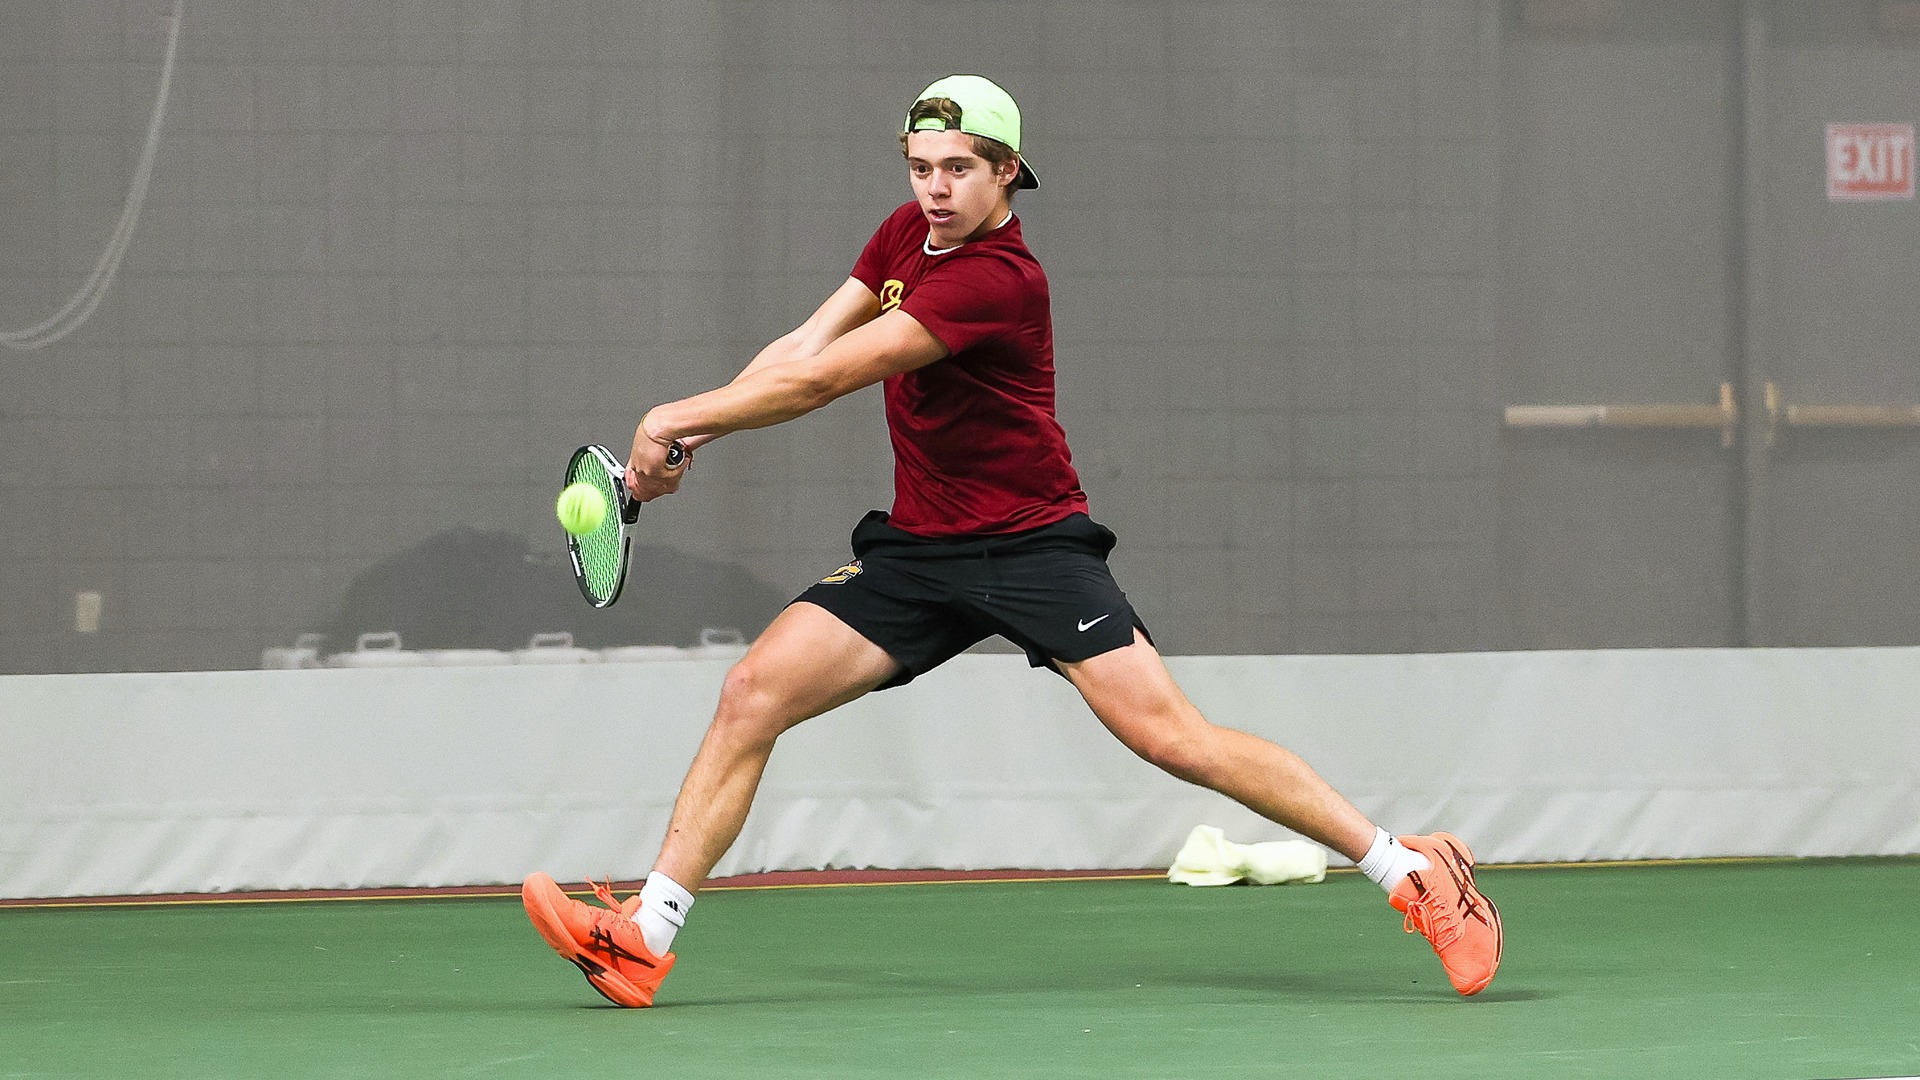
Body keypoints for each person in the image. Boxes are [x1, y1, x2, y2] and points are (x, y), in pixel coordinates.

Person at [520, 75, 1501, 1007]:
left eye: (959, 168)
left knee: (1173, 739)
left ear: (1006, 173)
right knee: (751, 695)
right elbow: (803, 348)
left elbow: (830, 382)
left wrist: (675, 412)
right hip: (919, 550)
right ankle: (645, 936)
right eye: (921, 165)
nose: (935, 188)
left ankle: (1413, 869)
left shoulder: (1001, 281)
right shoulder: (908, 235)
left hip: (1031, 548)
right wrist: (690, 433)